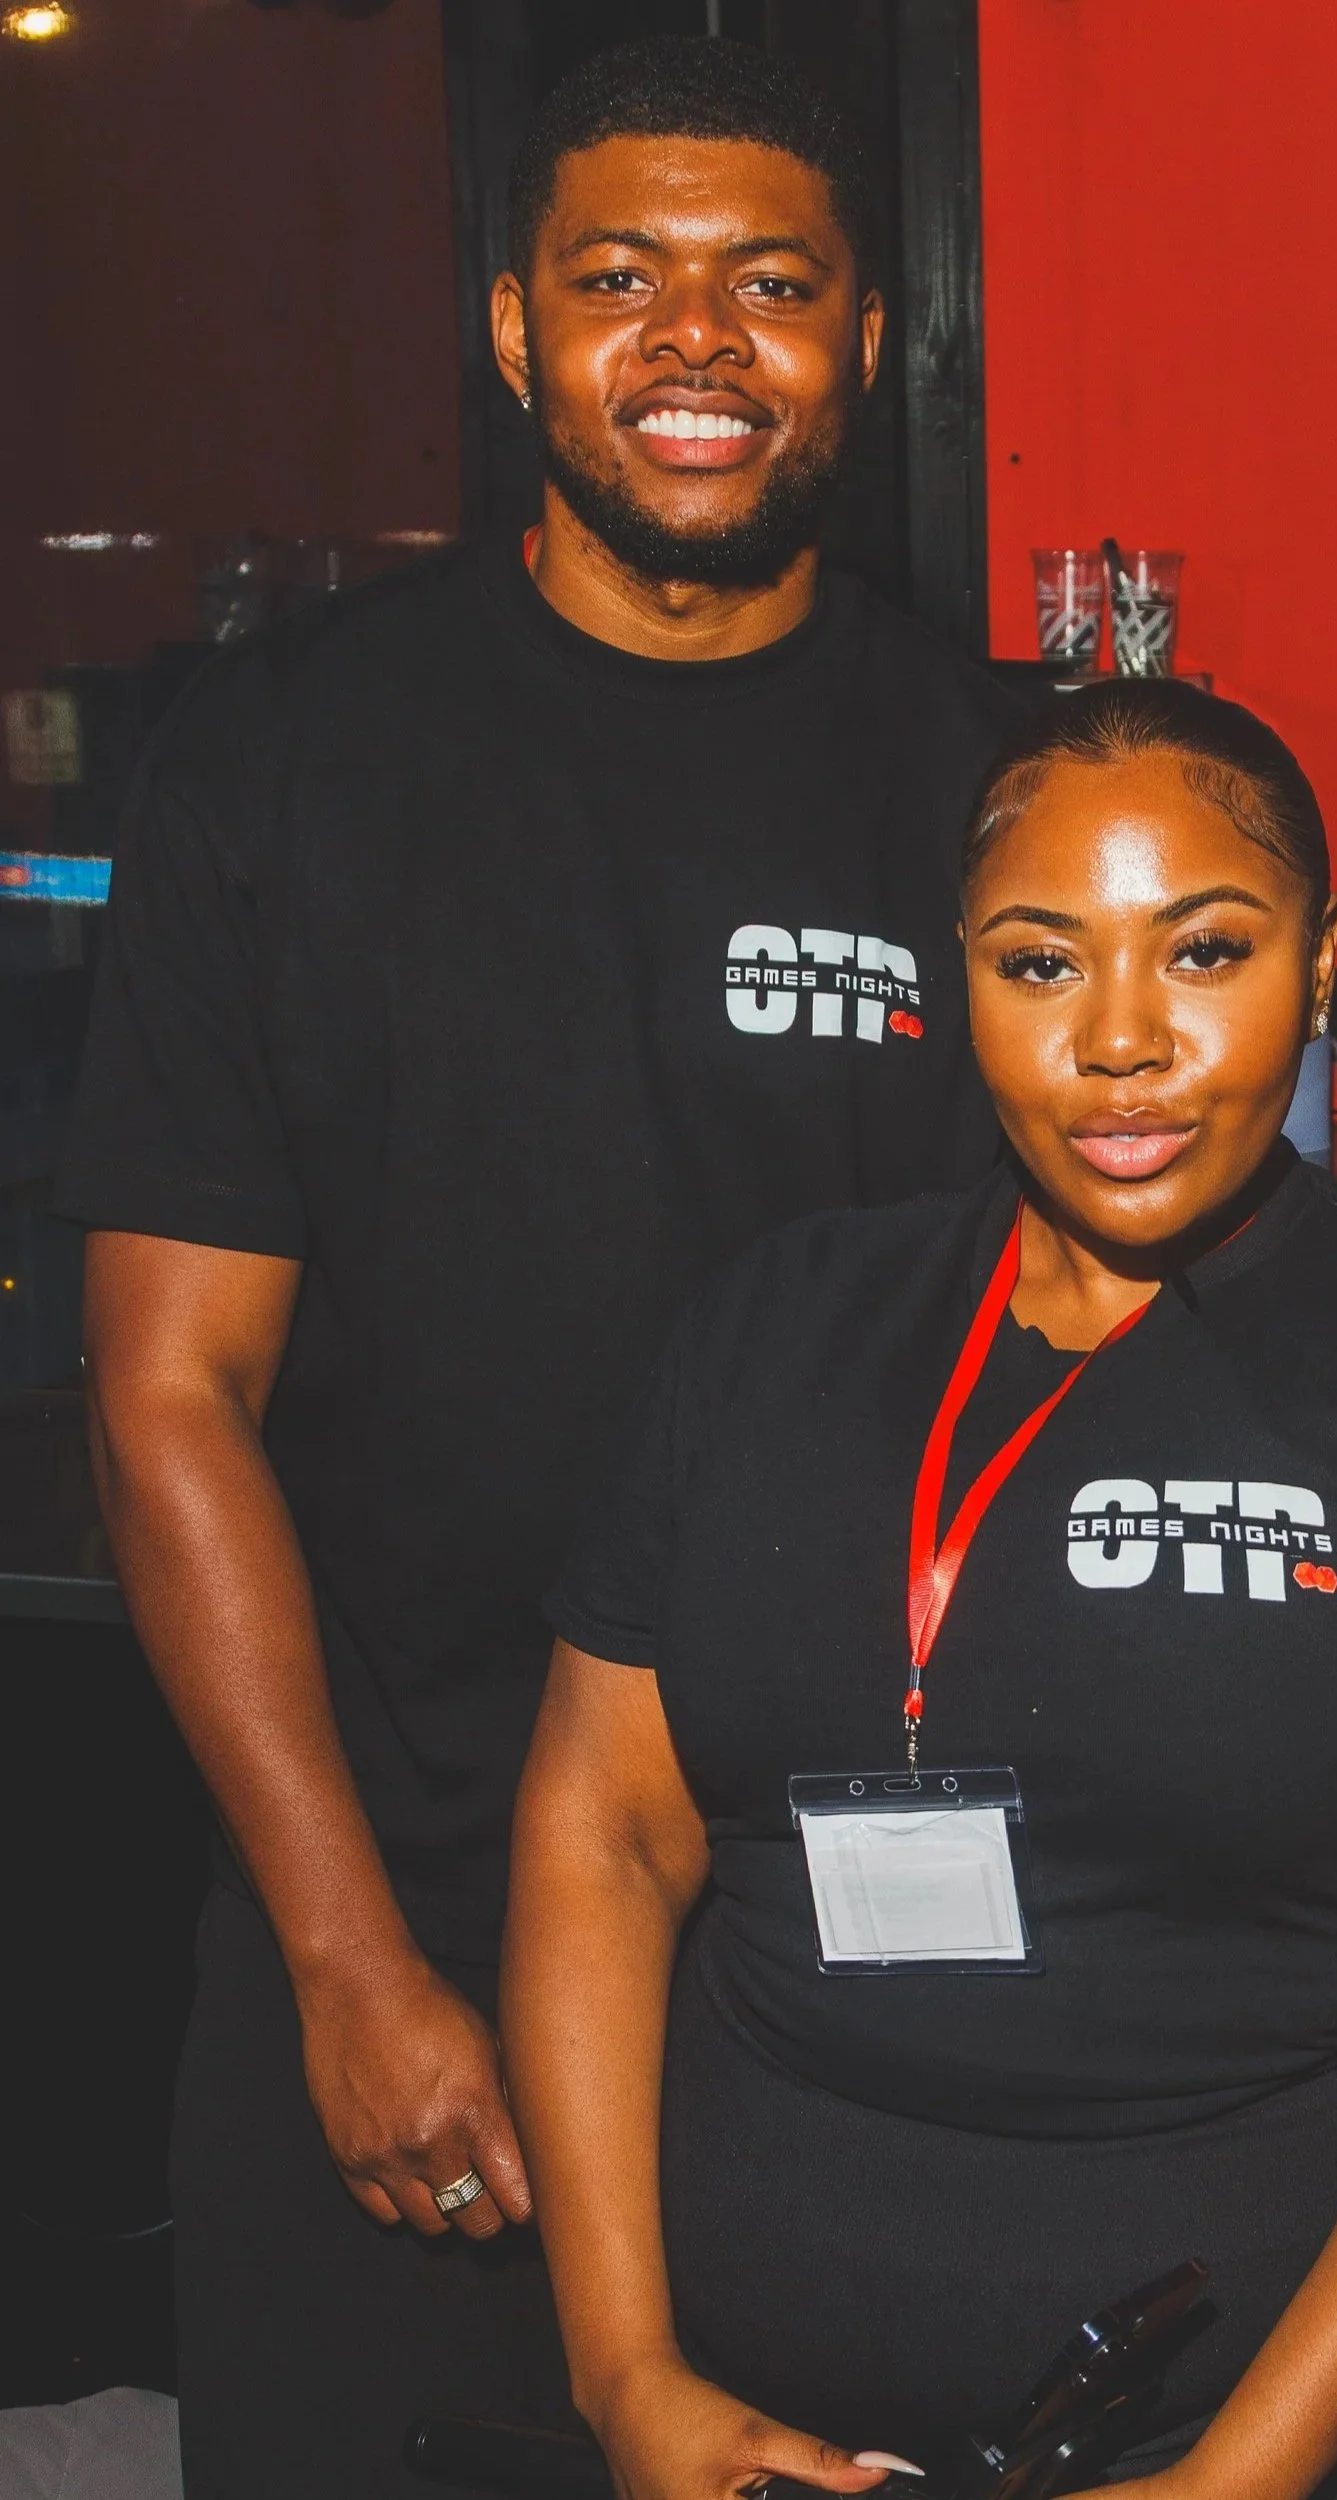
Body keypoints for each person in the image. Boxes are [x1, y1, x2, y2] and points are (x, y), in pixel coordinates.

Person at [57, 39, 1024, 2498]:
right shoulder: (276, 769)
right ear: (511, 332)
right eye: (619, 279)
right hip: (392, 1914)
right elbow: (172, 1396)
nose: (693, 340)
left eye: (768, 283)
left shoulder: (996, 789)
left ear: (868, 339)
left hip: (833, 1950)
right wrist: (347, 1955)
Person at [503, 678, 1337, 2500]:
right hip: (756, 2433)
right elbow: (602, 1838)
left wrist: (1242, 2476)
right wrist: (623, 2372)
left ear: (1318, 970)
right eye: (1043, 965)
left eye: (1205, 953)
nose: (1122, 1043)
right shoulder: (779, 1324)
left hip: (1270, 2440)